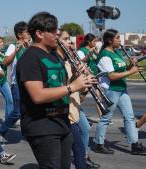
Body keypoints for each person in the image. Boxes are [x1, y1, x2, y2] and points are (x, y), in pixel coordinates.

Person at [16, 12, 94, 169]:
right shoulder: (30, 58)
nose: (56, 33)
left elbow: (62, 87)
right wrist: (73, 86)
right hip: (42, 125)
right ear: (39, 33)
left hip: (62, 122)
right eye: (52, 31)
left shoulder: (55, 56)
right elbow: (38, 96)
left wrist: (80, 81)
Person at [92, 29, 146, 155]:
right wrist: (131, 72)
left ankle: (134, 144)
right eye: (118, 38)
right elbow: (112, 76)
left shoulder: (117, 52)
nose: (120, 40)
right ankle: (98, 143)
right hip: (111, 90)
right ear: (109, 40)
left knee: (129, 117)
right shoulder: (105, 55)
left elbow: (121, 69)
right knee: (106, 118)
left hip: (122, 89)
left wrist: (130, 65)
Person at [57, 29, 100, 169]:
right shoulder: (58, 64)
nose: (69, 42)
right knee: (78, 149)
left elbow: (79, 93)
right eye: (65, 39)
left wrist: (87, 83)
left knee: (85, 130)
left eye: (69, 39)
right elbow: (63, 88)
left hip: (75, 109)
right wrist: (76, 76)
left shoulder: (69, 62)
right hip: (66, 112)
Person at [0, 21, 31, 138]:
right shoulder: (12, 46)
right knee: (17, 112)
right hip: (17, 83)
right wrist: (16, 50)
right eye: (27, 32)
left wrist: (29, 48)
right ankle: (1, 131)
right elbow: (5, 62)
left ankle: (27, 133)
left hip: (30, 83)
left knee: (28, 110)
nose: (29, 34)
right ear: (19, 34)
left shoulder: (31, 46)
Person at [77, 33, 103, 118]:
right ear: (89, 42)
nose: (96, 43)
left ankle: (102, 117)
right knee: (82, 97)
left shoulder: (94, 50)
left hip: (95, 76)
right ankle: (74, 108)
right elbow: (81, 62)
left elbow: (96, 62)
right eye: (94, 41)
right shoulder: (81, 50)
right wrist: (88, 54)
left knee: (98, 97)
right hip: (87, 77)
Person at [0, 36, 14, 123]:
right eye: (0, 42)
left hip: (3, 81)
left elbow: (6, 60)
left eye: (2, 42)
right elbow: (3, 63)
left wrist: (0, 53)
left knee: (10, 101)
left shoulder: (1, 52)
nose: (2, 43)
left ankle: (9, 121)